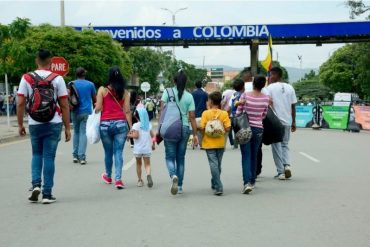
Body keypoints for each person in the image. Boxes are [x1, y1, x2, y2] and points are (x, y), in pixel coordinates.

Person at [17, 49, 71, 204]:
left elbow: (21, 103)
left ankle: (35, 185)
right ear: (51, 61)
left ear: (36, 60)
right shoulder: (58, 79)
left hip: (34, 123)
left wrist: (20, 124)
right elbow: (65, 105)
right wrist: (67, 127)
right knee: (49, 157)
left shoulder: (26, 78)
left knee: (36, 154)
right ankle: (47, 194)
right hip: (53, 122)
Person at [160, 70, 198, 195]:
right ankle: (180, 186)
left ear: (174, 81)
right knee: (180, 158)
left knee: (169, 157)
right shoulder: (189, 96)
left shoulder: (167, 92)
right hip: (185, 128)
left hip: (170, 128)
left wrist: (160, 128)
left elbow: (162, 111)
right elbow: (192, 116)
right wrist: (196, 135)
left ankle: (173, 175)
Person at [95, 66, 132, 189]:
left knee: (108, 152)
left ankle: (108, 176)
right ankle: (118, 179)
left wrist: (95, 109)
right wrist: (131, 127)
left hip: (105, 125)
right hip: (121, 124)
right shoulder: (125, 92)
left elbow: (98, 108)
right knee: (118, 152)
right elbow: (127, 111)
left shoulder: (102, 90)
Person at [236, 75, 270, 194]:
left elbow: (238, 111)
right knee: (254, 155)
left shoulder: (245, 95)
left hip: (245, 127)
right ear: (263, 85)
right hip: (258, 129)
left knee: (246, 155)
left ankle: (246, 183)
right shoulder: (266, 98)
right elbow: (264, 115)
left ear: (253, 83)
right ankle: (252, 181)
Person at [265, 67, 297, 180]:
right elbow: (293, 106)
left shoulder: (270, 88)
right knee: (285, 144)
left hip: (275, 122)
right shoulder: (290, 87)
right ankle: (287, 165)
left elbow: (268, 103)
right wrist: (294, 121)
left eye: (270, 75)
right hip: (287, 121)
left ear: (276, 75)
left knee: (276, 146)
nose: (269, 77)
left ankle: (280, 172)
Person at [199, 91, 231, 196]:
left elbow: (202, 127)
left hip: (209, 143)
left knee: (213, 164)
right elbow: (227, 128)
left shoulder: (205, 113)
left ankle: (218, 186)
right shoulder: (224, 113)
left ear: (211, 101)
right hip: (221, 142)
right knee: (218, 164)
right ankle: (214, 182)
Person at [70, 67, 96, 165]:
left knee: (76, 132)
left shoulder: (71, 84)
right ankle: (82, 157)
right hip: (86, 112)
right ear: (84, 74)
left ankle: (75, 156)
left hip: (74, 110)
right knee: (83, 133)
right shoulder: (90, 84)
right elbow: (94, 99)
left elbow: (67, 97)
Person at [127, 108, 155, 188]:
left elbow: (136, 136)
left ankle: (140, 181)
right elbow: (153, 136)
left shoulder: (136, 125)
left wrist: (129, 136)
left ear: (136, 116)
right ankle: (148, 175)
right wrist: (153, 144)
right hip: (146, 148)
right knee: (147, 164)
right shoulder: (148, 125)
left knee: (139, 164)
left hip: (138, 149)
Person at [227, 78, 245, 149]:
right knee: (240, 130)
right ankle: (240, 143)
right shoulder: (246, 94)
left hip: (234, 115)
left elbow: (230, 107)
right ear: (243, 86)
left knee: (234, 130)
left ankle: (235, 144)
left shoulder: (234, 94)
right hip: (243, 115)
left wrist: (227, 115)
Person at [192, 80, 208, 148]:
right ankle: (202, 144)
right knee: (202, 129)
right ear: (201, 85)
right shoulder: (205, 94)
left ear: (195, 85)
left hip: (194, 114)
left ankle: (195, 142)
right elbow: (207, 104)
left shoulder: (192, 94)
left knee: (195, 129)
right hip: (203, 114)